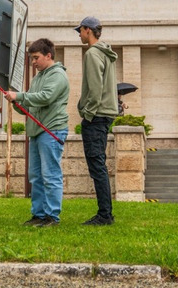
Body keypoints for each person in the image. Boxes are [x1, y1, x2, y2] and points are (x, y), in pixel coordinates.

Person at [7, 38, 69, 227]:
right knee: (35, 175)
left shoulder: (58, 75)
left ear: (48, 56)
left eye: (36, 58)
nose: (33, 62)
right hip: (36, 131)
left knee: (50, 175)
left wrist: (19, 95)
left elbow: (45, 97)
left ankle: (52, 217)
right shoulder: (38, 78)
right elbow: (30, 105)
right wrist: (16, 103)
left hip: (51, 130)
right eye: (31, 58)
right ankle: (39, 215)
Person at [75, 16, 118, 226]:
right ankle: (106, 213)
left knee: (97, 165)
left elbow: (94, 88)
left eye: (80, 31)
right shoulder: (106, 53)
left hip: (97, 115)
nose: (79, 35)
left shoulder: (92, 53)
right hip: (106, 114)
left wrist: (87, 113)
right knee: (99, 164)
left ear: (87, 30)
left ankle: (104, 215)